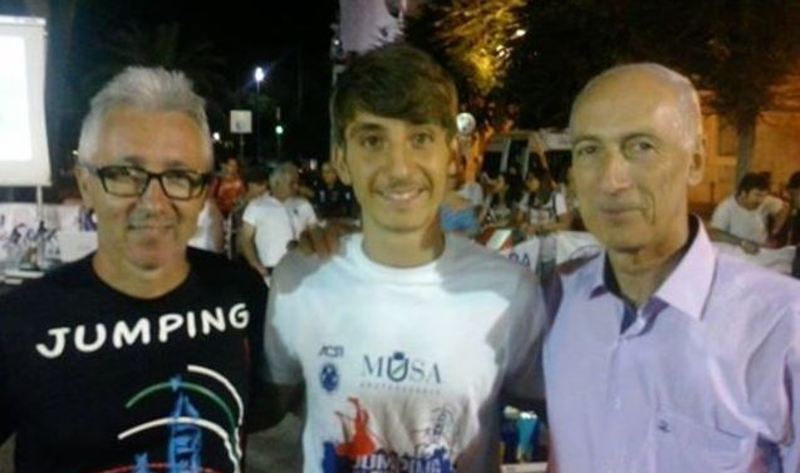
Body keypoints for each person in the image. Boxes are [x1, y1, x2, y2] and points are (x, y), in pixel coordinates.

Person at [263, 43, 544, 472]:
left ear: (452, 155)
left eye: (420, 139)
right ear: (342, 160)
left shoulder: (509, 291)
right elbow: (266, 409)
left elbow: (568, 418)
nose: (399, 168)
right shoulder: (300, 278)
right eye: (373, 140)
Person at [0, 67, 268, 472]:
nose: (153, 202)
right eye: (125, 174)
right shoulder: (22, 321)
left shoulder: (243, 294)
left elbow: (278, 406)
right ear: (86, 186)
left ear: (203, 194)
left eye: (178, 176)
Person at [546, 63, 800, 471]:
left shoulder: (781, 324)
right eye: (590, 150)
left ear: (696, 161)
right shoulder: (562, 302)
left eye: (641, 146)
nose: (611, 180)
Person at [239, 162, 318, 278]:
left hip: (302, 269)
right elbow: (245, 239)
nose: (296, 187)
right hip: (270, 272)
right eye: (292, 183)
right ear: (276, 183)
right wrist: (255, 263)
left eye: (298, 183)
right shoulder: (256, 206)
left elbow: (315, 233)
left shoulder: (304, 205)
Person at [709, 171, 788, 253]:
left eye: (764, 195)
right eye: (757, 195)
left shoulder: (765, 201)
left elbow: (784, 208)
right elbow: (714, 233)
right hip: (735, 254)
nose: (761, 200)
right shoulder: (726, 208)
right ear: (743, 193)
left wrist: (775, 232)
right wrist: (742, 242)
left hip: (761, 251)